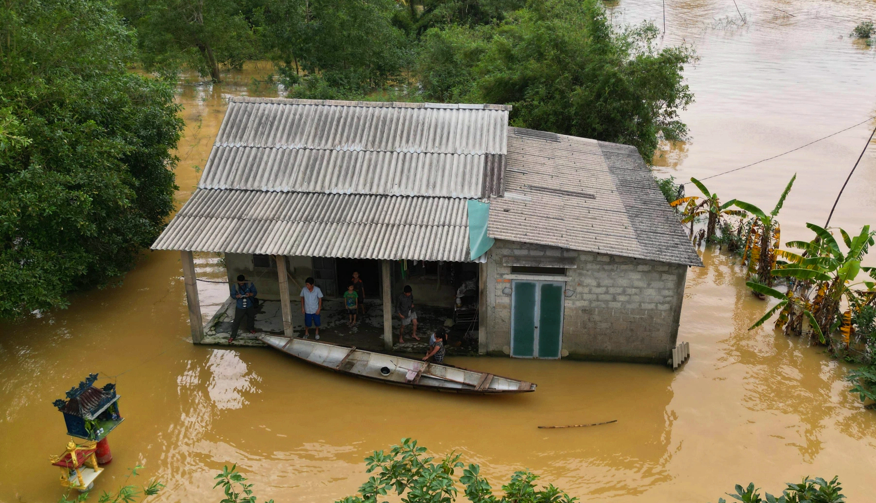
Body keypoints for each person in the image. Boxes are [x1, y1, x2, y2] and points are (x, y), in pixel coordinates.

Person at [229, 275, 257, 343]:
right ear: (238, 281)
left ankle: (250, 328)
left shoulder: (250, 284)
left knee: (251, 317)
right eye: (240, 283)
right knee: (236, 321)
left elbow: (255, 292)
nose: (241, 284)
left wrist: (250, 294)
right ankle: (233, 336)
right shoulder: (235, 286)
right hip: (240, 306)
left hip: (249, 305)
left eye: (242, 282)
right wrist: (237, 296)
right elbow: (232, 295)